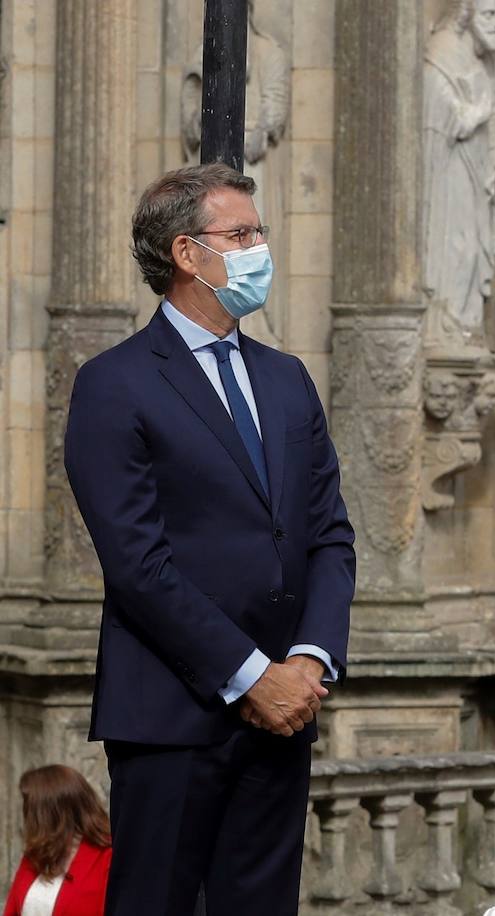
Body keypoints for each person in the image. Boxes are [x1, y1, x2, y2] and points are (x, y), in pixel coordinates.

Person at [63, 163, 356, 915]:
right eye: (243, 233)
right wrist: (251, 674)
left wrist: (307, 661)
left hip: (286, 712)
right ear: (188, 253)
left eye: (260, 231)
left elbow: (328, 535)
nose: (261, 248)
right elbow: (138, 564)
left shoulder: (288, 379)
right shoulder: (114, 383)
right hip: (172, 713)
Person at [2, 766, 112, 916]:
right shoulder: (36, 853)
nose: (25, 817)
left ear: (49, 815)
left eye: (29, 809)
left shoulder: (107, 857)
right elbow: (12, 909)